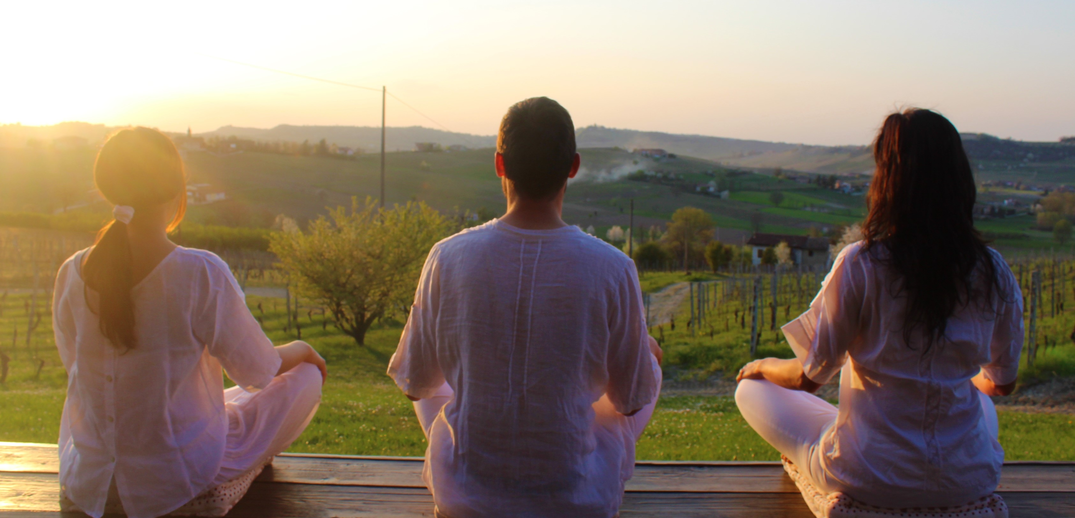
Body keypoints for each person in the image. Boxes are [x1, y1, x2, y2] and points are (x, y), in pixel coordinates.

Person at [388, 97, 663, 518]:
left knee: (434, 383)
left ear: (499, 164)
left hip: (465, 499)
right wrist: (645, 355)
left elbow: (414, 384)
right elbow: (629, 402)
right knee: (649, 362)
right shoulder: (613, 267)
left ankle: (473, 461)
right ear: (573, 166)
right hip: (576, 500)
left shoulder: (447, 256)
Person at [735, 109, 1023, 508]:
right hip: (966, 479)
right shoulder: (993, 271)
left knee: (750, 391)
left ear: (888, 179)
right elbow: (1002, 383)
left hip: (866, 475)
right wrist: (948, 381)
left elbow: (809, 377)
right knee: (981, 405)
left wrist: (763, 365)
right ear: (959, 178)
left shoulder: (862, 264)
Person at [53, 127, 327, 518]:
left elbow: (74, 364)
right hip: (175, 484)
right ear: (175, 189)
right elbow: (257, 372)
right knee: (303, 378)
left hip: (88, 485)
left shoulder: (72, 272)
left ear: (108, 188)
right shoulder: (199, 272)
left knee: (223, 400)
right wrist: (302, 351)